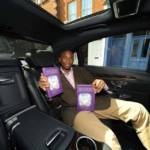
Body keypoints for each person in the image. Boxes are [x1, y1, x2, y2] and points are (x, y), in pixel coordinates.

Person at [38, 50, 150, 150]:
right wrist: (46, 91)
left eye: (71, 57)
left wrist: (101, 84)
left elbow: (94, 83)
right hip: (75, 111)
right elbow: (55, 103)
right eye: (65, 57)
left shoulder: (80, 70)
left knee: (139, 110)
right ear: (59, 59)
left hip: (94, 102)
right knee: (109, 140)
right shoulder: (52, 75)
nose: (68, 60)